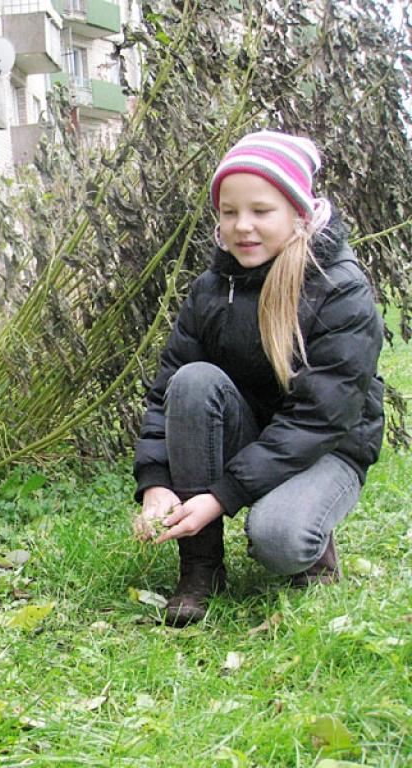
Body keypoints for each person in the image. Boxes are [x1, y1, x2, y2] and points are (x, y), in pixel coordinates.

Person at [132, 130, 384, 627]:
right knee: (193, 380)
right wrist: (156, 482)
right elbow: (167, 391)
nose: (242, 226)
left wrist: (222, 495)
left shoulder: (341, 292)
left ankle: (312, 546)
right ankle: (200, 568)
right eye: (229, 212)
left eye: (261, 211)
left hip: (326, 446)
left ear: (299, 214)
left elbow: (318, 419)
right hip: (255, 433)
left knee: (279, 539)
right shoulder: (210, 289)